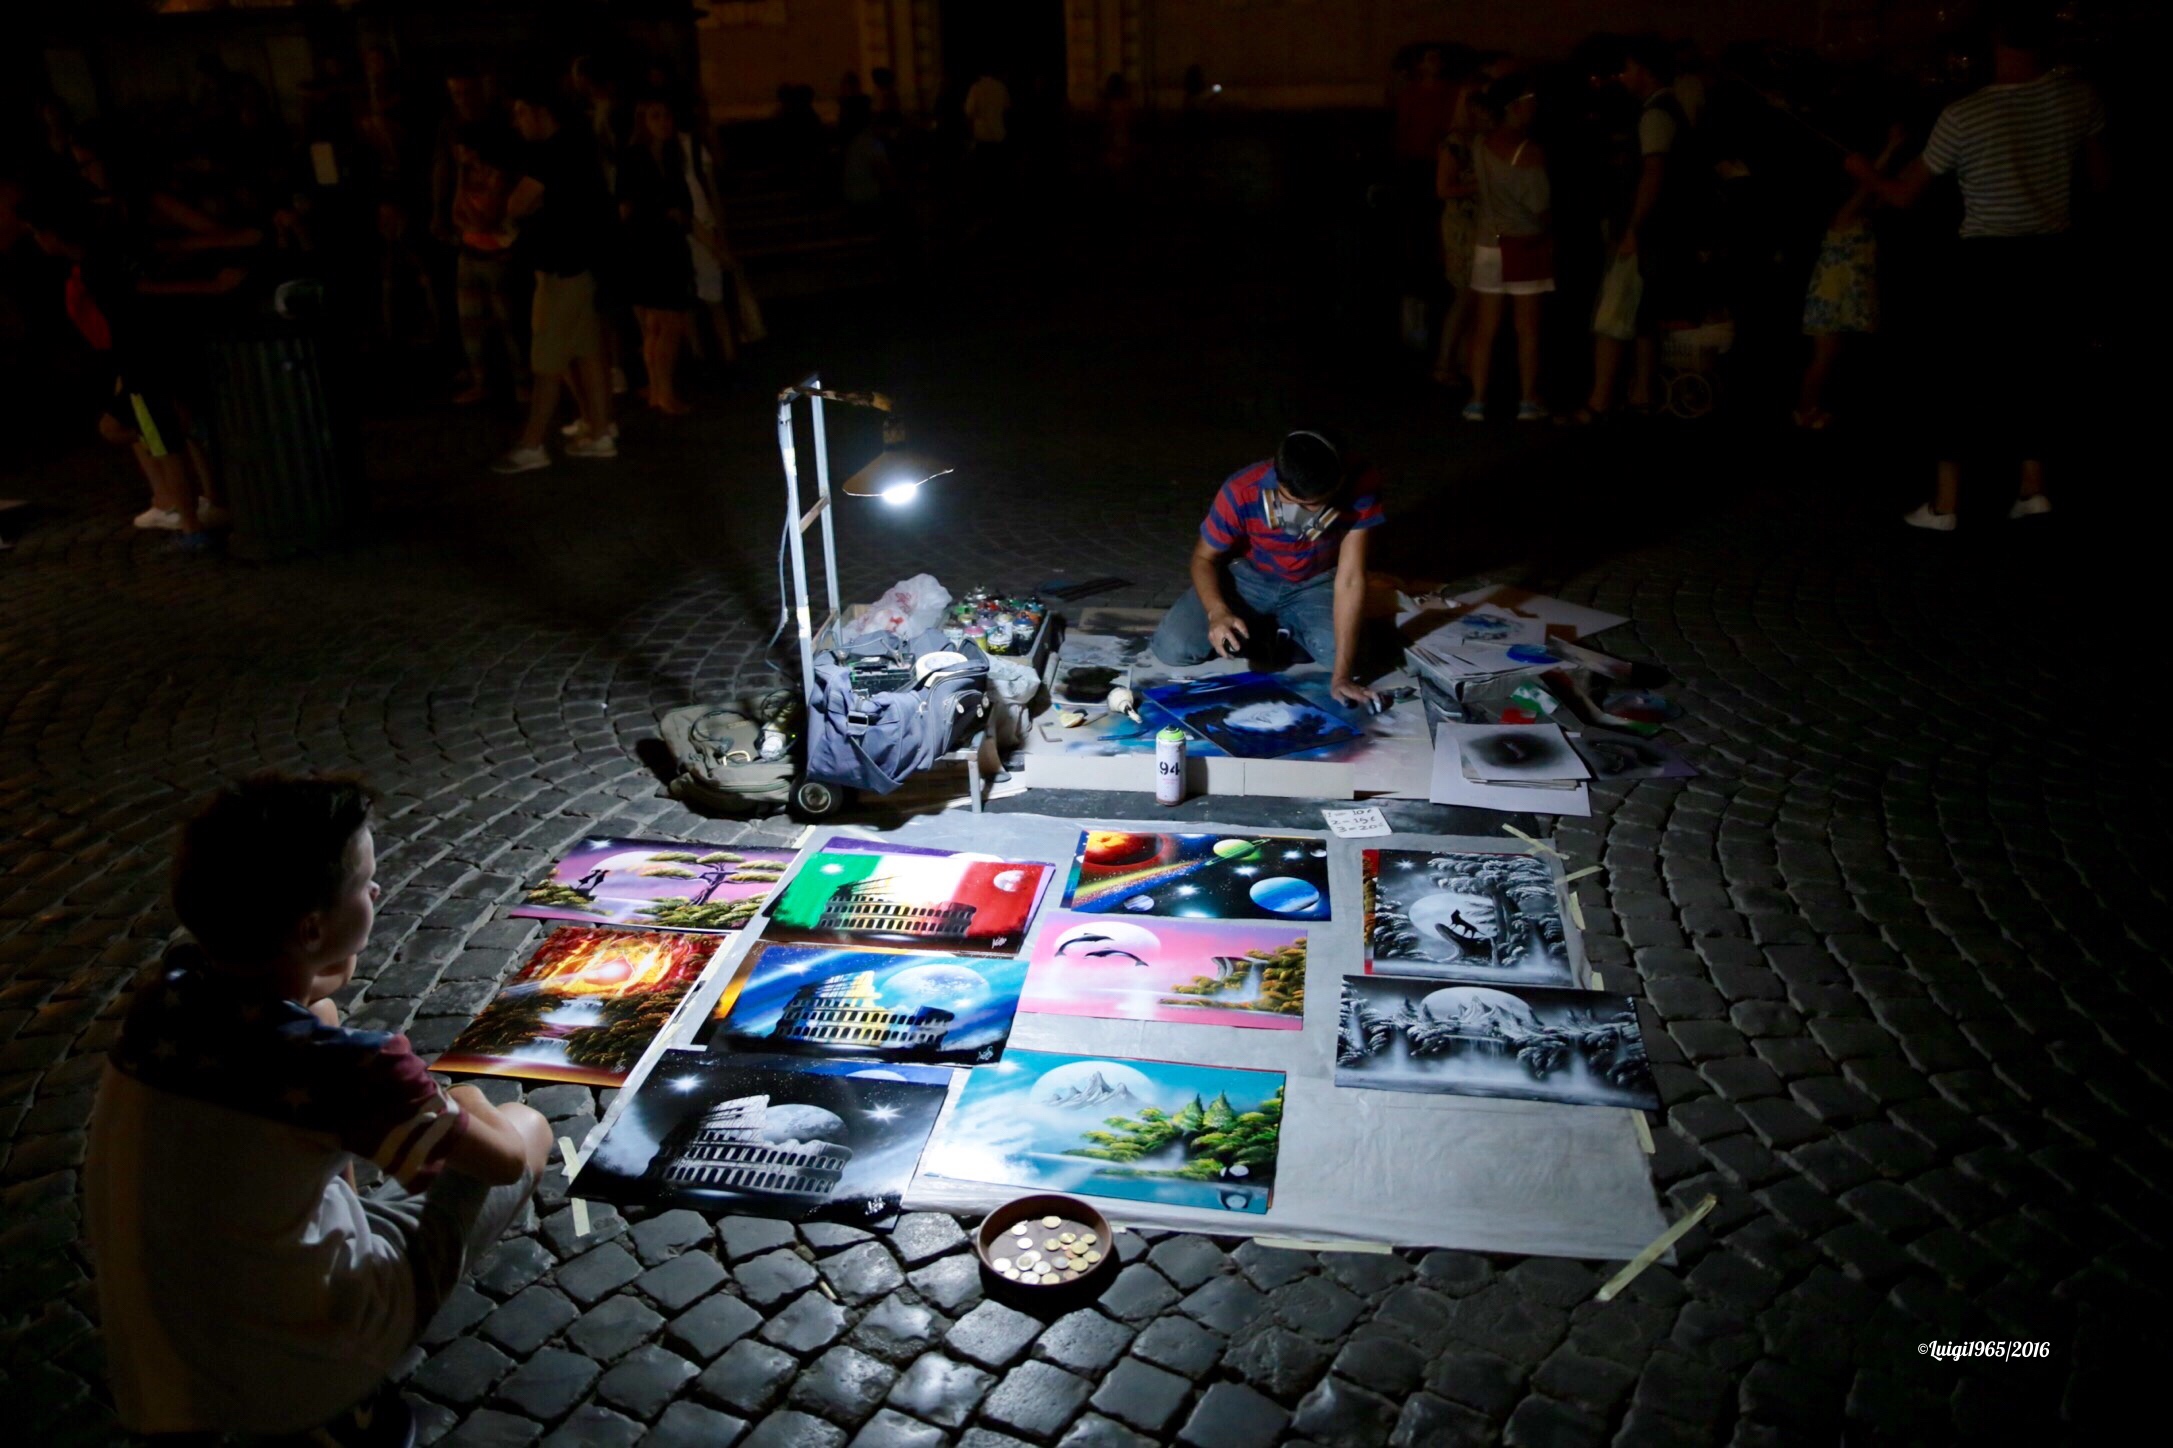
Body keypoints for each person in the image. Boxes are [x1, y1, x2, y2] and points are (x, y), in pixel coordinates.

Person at [82, 772, 552, 1444]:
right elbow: (505, 1161)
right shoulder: (347, 1069)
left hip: (158, 1385)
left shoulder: (167, 997)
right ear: (309, 927)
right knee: (525, 1126)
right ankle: (347, 1391)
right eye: (365, 884)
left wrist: (320, 980)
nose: (378, 893)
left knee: (327, 1038)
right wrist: (467, 1099)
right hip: (291, 1381)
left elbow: (302, 1008)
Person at [1847, 2, 2107, 529]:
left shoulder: (1964, 115)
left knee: (1956, 376)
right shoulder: (2081, 98)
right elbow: (2102, 181)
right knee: (2040, 370)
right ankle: (2033, 489)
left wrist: (1863, 173)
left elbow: (1902, 197)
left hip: (1984, 260)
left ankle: (1946, 502)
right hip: (2052, 255)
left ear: (1993, 44)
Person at [1151, 430, 1386, 705]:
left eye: (1312, 506)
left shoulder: (1361, 485)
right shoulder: (1242, 490)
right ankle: (1272, 631)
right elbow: (1203, 559)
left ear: (1339, 482)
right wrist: (1218, 612)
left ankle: (1273, 632)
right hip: (1248, 576)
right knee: (1174, 647)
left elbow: (1350, 578)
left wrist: (1342, 676)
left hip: (1315, 582)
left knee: (1352, 660)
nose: (1299, 515)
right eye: (1291, 502)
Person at [494, 82, 617, 473]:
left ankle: (532, 444)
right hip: (582, 265)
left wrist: (518, 209)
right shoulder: (576, 149)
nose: (517, 121)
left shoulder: (550, 155)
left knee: (547, 357)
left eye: (521, 112)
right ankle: (599, 431)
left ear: (541, 112)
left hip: (561, 269)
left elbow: (516, 203)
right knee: (585, 350)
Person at [1578, 35, 1690, 422]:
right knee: (1643, 317)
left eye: (1627, 68)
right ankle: (1642, 393)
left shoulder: (1655, 114)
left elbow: (1653, 172)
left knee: (1612, 315)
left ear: (1641, 69)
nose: (1622, 76)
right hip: (1660, 231)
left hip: (1645, 231)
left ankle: (1600, 400)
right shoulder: (1669, 109)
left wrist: (1633, 228)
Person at [1795, 121, 1902, 430]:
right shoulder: (1844, 218)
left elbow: (1877, 191)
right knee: (1824, 358)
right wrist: (1890, 148)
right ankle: (1804, 409)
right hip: (1832, 296)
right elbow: (1868, 185)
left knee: (1833, 357)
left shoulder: (1863, 220)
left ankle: (1815, 407)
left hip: (1843, 296)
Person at [1462, 75, 1554, 422]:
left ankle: (1477, 399)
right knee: (1527, 327)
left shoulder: (1481, 145)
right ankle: (1528, 399)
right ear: (1514, 107)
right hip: (1525, 244)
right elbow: (1541, 206)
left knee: (1484, 327)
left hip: (1489, 242)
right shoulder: (1528, 152)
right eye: (1529, 99)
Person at [616, 94, 699, 416]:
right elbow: (628, 205)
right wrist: (665, 215)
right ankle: (663, 390)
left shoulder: (670, 156)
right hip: (650, 248)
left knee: (657, 324)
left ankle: (658, 388)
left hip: (667, 246)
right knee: (666, 323)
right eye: (656, 116)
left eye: (666, 116)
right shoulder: (635, 158)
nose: (664, 123)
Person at [449, 124, 529, 405]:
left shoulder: (498, 176)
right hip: (471, 252)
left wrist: (470, 215)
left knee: (509, 322)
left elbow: (487, 218)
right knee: (471, 322)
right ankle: (481, 380)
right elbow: (456, 215)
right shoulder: (467, 176)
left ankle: (522, 383)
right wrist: (470, 214)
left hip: (495, 257)